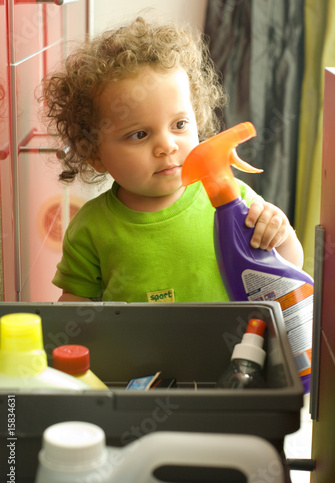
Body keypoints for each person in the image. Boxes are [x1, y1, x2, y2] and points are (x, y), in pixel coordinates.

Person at [42, 16, 303, 303]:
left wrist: (280, 233)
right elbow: (75, 305)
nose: (166, 146)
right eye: (139, 134)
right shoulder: (91, 228)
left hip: (237, 348)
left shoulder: (235, 202)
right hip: (136, 350)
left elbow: (289, 268)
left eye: (179, 125)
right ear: (94, 154)